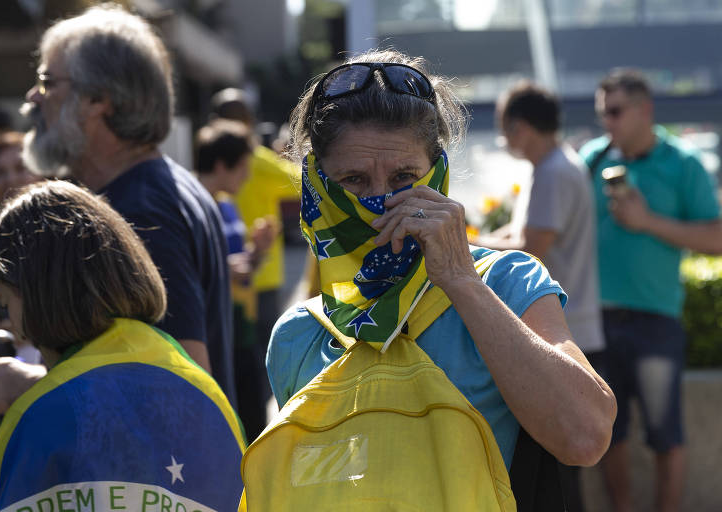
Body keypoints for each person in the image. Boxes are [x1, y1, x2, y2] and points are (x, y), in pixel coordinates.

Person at [267, 49, 616, 505]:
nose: (380, 201)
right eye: (353, 180)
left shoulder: (506, 283)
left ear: (436, 174)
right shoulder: (299, 337)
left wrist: (461, 281)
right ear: (318, 183)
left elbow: (585, 438)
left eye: (404, 176)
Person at [0, 4, 236, 422]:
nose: (33, 97)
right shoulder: (159, 186)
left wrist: (27, 384)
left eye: (47, 81)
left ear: (98, 100)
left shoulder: (140, 208)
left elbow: (180, 386)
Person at [0, 181, 245, 511]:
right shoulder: (200, 390)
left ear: (38, 296)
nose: (12, 326)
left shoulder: (42, 415)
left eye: (5, 302)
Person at [580, 68, 722, 512]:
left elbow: (717, 237)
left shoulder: (683, 163)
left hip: (656, 319)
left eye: (617, 112)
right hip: (596, 319)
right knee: (607, 434)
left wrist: (648, 223)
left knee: (665, 434)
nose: (609, 122)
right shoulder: (591, 157)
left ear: (646, 110)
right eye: (604, 113)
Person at [479, 82, 606, 510]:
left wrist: (461, 249)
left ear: (520, 126)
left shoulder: (552, 170)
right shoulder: (557, 164)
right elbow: (523, 238)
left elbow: (531, 248)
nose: (502, 138)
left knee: (557, 471)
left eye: (504, 128)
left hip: (562, 330)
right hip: (569, 324)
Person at [195, 119, 276, 439]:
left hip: (240, 329)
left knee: (253, 421)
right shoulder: (191, 207)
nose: (247, 175)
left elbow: (238, 270)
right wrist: (226, 268)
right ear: (220, 164)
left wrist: (258, 253)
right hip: (212, 335)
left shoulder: (228, 206)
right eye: (242, 166)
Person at [210, 88, 300, 359]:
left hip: (225, 267)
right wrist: (283, 155)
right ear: (249, 120)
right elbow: (300, 182)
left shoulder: (210, 153)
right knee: (262, 351)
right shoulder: (257, 158)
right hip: (260, 270)